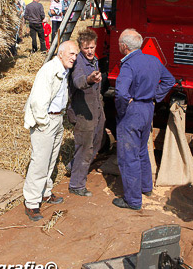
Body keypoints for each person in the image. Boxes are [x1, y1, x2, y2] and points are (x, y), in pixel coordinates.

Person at [114, 29, 175, 210]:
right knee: (142, 150)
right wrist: (155, 96)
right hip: (148, 108)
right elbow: (169, 80)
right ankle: (146, 187)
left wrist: (124, 107)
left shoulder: (128, 65)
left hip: (133, 111)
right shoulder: (153, 60)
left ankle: (132, 200)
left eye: (119, 43)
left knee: (128, 156)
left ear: (124, 46)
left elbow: (121, 93)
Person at [22, 41, 78, 221]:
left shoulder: (63, 70)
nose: (74, 58)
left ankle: (45, 192)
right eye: (71, 54)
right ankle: (31, 202)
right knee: (39, 161)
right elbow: (38, 101)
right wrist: (43, 123)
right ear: (60, 53)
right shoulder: (49, 70)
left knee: (51, 159)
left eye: (76, 55)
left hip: (57, 118)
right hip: (46, 120)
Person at [67, 29, 105, 197]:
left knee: (97, 141)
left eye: (92, 47)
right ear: (81, 47)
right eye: (86, 48)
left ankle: (72, 167)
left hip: (96, 109)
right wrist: (90, 79)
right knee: (85, 148)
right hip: (83, 112)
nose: (90, 51)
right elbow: (78, 81)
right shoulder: (78, 64)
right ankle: (76, 185)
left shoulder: (94, 60)